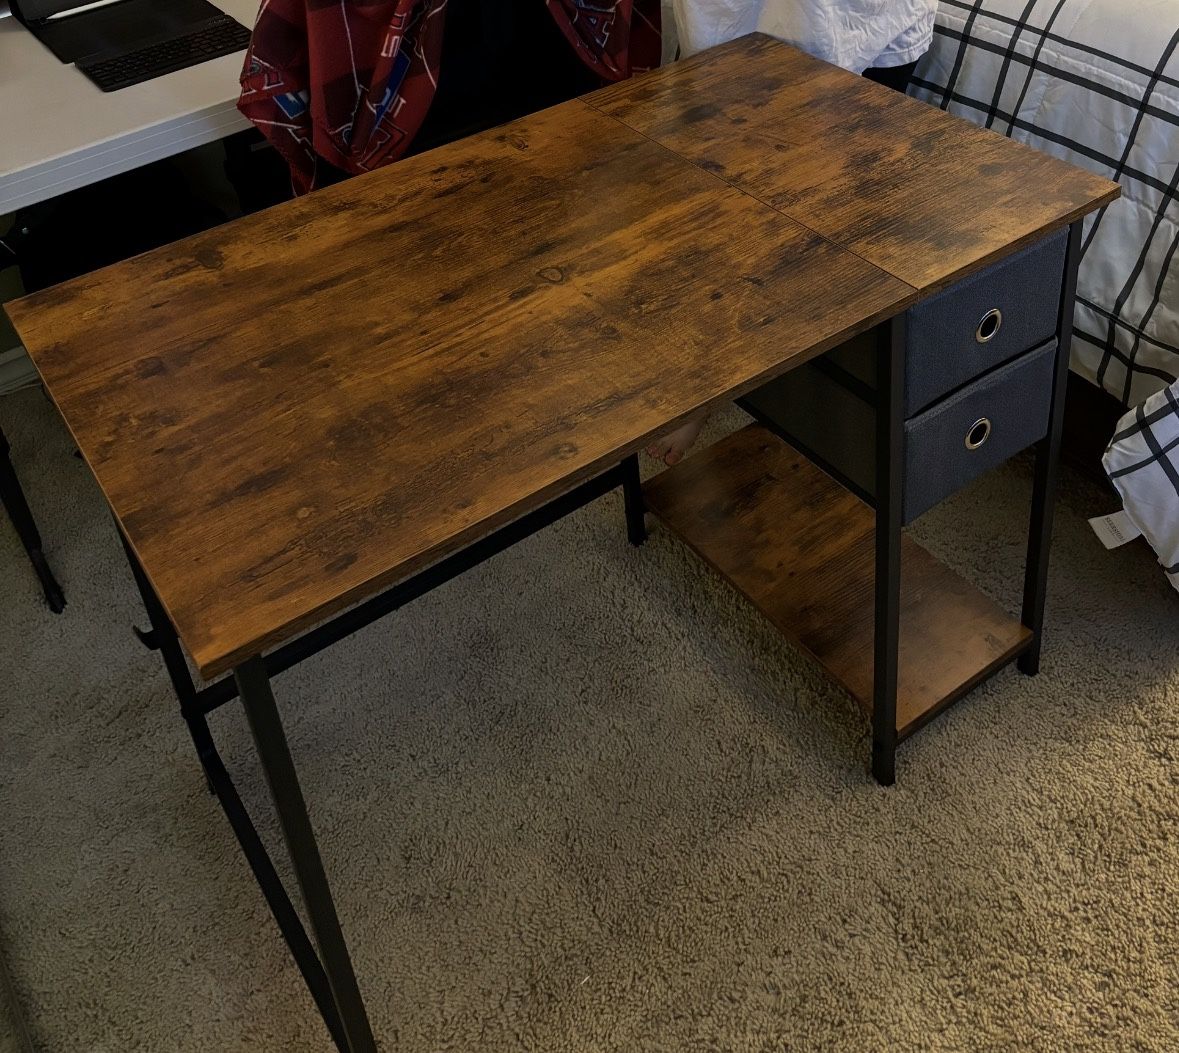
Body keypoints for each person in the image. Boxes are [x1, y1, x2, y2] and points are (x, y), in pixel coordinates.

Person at [645, 0, 937, 467]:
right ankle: (709, 377)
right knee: (720, 200)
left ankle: (798, 381)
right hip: (738, 18)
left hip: (870, 18)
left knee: (841, 212)